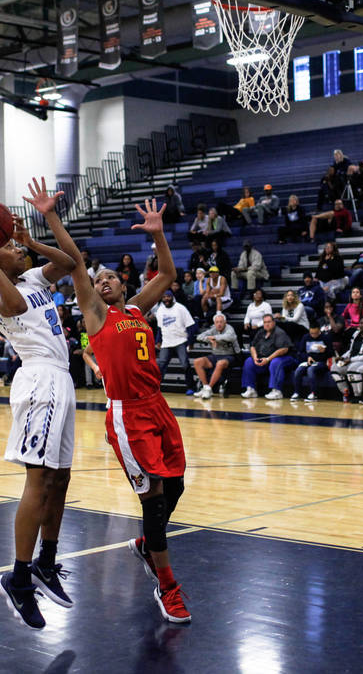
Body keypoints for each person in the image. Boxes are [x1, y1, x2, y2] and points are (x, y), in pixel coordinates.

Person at [66, 195, 192, 625]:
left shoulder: (137, 309)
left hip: (158, 406)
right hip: (126, 414)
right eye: (97, 278)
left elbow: (170, 273)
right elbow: (76, 266)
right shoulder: (96, 316)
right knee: (153, 502)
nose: (102, 281)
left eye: (109, 277)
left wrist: (158, 234)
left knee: (174, 485)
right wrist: (50, 217)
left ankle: (145, 545)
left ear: (124, 285)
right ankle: (168, 586)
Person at [0, 179, 80, 630]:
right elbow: (11, 302)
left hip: (61, 380)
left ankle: (47, 561)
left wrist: (36, 236)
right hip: (38, 381)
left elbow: (70, 262)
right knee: (38, 479)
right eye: (9, 246)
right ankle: (19, 577)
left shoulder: (33, 274)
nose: (17, 248)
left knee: (61, 477)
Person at [241, 314, 294, 400]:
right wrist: (255, 358)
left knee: (275, 362)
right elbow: (252, 346)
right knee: (249, 361)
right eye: (265, 322)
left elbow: (284, 349)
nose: (267, 324)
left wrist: (268, 359)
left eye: (269, 322)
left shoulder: (279, 333)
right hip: (265, 359)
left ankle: (277, 391)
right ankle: (251, 389)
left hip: (285, 358)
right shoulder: (261, 332)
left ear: (273, 322)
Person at [330, 316, 363, 402]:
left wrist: (350, 360)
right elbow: (351, 350)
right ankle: (346, 393)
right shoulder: (356, 334)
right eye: (361, 323)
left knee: (352, 368)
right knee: (335, 368)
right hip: (354, 359)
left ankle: (358, 395)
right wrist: (343, 357)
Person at [154, 291, 195, 393]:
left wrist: (190, 342)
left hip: (180, 340)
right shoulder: (160, 310)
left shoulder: (180, 308)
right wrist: (158, 341)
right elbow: (159, 328)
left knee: (185, 364)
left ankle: (191, 387)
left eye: (168, 297)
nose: (166, 299)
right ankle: (155, 388)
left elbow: (190, 326)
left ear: (172, 297)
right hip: (166, 342)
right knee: (160, 365)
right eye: (164, 297)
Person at [192, 313, 240, 399]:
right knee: (197, 362)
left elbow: (230, 337)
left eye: (221, 322)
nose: (219, 324)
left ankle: (209, 388)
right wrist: (208, 338)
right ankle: (205, 387)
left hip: (230, 356)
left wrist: (214, 338)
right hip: (215, 355)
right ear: (214, 323)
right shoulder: (213, 329)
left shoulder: (229, 328)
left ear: (225, 322)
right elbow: (199, 337)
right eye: (217, 322)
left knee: (220, 363)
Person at [291, 324, 334, 401]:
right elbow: (300, 352)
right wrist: (307, 357)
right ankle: (297, 392)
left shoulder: (325, 338)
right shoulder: (305, 337)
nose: (313, 335)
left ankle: (313, 394)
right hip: (308, 361)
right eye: (311, 333)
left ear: (319, 331)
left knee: (310, 370)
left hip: (321, 362)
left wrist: (325, 351)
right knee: (298, 370)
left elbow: (331, 353)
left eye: (315, 333)